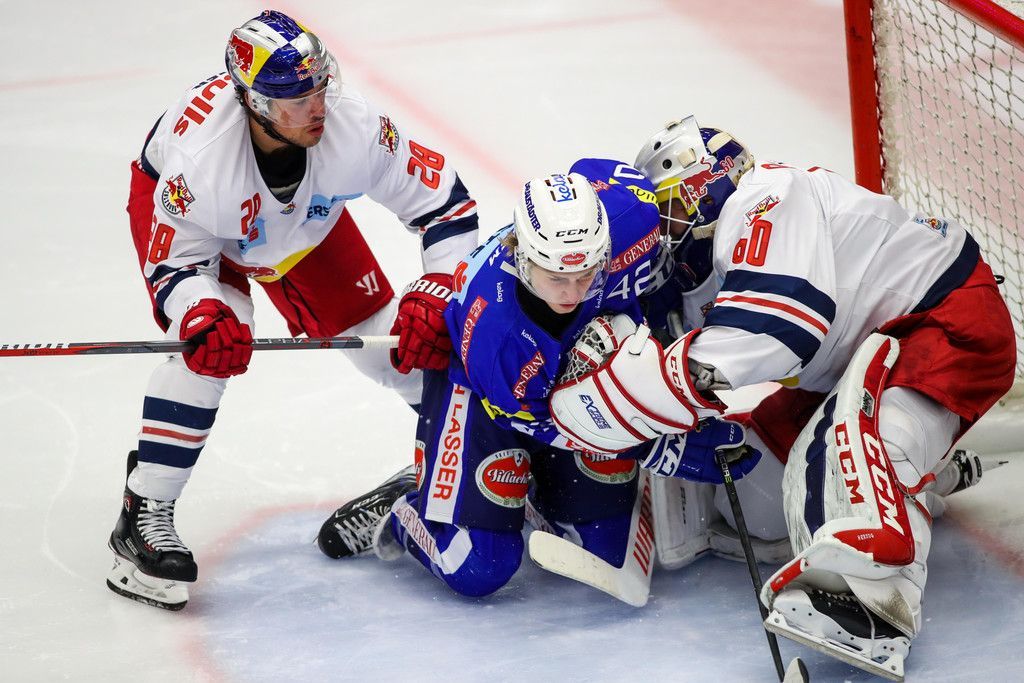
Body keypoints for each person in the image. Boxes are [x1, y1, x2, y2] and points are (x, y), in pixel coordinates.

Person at [551, 115, 1016, 678]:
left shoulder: (768, 196)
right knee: (753, 501)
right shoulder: (697, 272)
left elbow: (780, 328)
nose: (661, 230)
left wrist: (641, 388)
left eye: (668, 206)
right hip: (844, 368)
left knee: (856, 444)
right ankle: (924, 480)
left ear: (706, 184)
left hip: (941, 318)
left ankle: (874, 600)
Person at [108, 10, 480, 610]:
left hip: (304, 219)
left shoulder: (353, 126)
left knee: (395, 344)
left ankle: (455, 465)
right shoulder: (201, 165)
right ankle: (143, 512)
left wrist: (439, 287)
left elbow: (448, 206)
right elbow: (174, 266)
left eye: (320, 87)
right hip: (202, 231)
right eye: (297, 99)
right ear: (254, 104)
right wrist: (199, 312)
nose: (319, 107)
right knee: (210, 351)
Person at [316, 164, 759, 598]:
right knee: (480, 565)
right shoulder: (497, 332)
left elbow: (600, 172)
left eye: (587, 274)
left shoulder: (631, 218)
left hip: (562, 381)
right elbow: (546, 419)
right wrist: (652, 443)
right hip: (483, 397)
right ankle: (408, 508)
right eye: (557, 278)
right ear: (523, 258)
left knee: (602, 546)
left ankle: (526, 488)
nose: (573, 293)